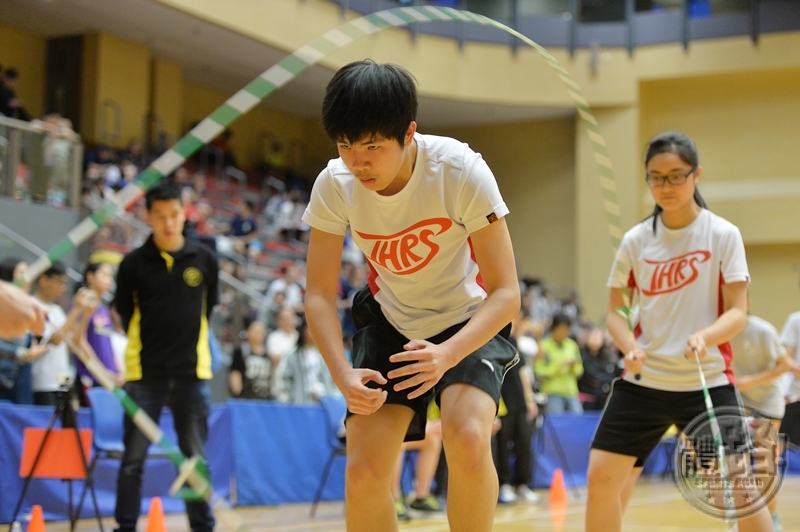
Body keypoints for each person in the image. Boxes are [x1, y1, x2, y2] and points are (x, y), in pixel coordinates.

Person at [302, 60, 520, 532]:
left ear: (409, 133)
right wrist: (342, 374)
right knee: (362, 473)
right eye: (345, 145)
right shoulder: (335, 185)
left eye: (373, 146)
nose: (357, 162)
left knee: (465, 438)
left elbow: (506, 293)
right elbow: (318, 295)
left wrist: (445, 355)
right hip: (391, 322)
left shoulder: (460, 171)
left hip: (467, 320)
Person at [585, 132, 773, 532]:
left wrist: (705, 336)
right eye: (656, 178)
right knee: (601, 478)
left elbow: (738, 311)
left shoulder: (722, 235)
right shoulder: (636, 241)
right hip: (643, 382)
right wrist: (629, 346)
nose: (665, 187)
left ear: (696, 175)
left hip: (704, 379)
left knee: (740, 488)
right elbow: (616, 313)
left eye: (675, 176)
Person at [112, 182, 218, 532]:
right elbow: (127, 314)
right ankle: (125, 526)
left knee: (194, 461)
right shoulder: (132, 264)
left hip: (192, 376)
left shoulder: (204, 260)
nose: (169, 222)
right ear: (147, 217)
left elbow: (209, 308)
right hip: (145, 377)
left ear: (184, 214)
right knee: (132, 461)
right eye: (160, 216)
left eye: (175, 214)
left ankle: (202, 527)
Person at [730, 303, 798, 532]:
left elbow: (786, 365)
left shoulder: (762, 330)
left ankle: (773, 517)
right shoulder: (716, 332)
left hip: (768, 399)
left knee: (765, 461)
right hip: (737, 398)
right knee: (736, 462)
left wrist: (751, 381)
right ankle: (743, 518)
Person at [495, 310, 540, 504]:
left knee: (524, 443)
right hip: (503, 402)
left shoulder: (513, 342)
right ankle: (504, 485)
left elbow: (522, 372)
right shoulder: (493, 340)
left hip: (520, 401)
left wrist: (530, 399)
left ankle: (522, 485)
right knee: (502, 446)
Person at [73, 263, 123, 404]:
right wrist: (101, 371)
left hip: (109, 378)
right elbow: (79, 341)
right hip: (91, 377)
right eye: (104, 275)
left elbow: (109, 343)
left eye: (111, 276)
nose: (109, 280)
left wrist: (118, 372)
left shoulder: (103, 309)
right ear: (90, 276)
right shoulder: (81, 303)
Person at [30, 263, 75, 406]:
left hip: (63, 381)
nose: (62, 288)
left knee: (66, 428)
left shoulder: (57, 310)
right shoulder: (31, 306)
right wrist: (77, 310)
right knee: (46, 426)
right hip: (43, 382)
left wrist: (85, 314)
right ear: (43, 280)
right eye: (59, 282)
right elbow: (54, 340)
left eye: (64, 283)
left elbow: (71, 343)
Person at [277, 320, 338, 404]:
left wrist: (332, 397)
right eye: (310, 328)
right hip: (300, 403)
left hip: (324, 404)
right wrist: (288, 398)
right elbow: (284, 378)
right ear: (303, 331)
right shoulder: (292, 356)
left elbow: (335, 379)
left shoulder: (327, 356)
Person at [534, 313, 584, 414]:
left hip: (571, 391)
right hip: (552, 392)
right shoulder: (543, 346)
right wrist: (559, 367)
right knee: (556, 423)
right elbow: (539, 371)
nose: (564, 332)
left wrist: (574, 367)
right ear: (554, 328)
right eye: (561, 328)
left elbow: (580, 370)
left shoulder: (572, 345)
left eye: (567, 329)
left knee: (578, 420)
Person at [228, 320, 276, 400]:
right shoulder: (241, 351)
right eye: (256, 331)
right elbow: (235, 372)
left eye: (261, 331)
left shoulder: (268, 355)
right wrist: (237, 393)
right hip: (246, 397)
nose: (259, 334)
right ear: (248, 332)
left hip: (264, 397)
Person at [578, 327, 621, 410]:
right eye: (593, 336)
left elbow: (612, 374)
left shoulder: (607, 356)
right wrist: (604, 379)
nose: (595, 339)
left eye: (598, 337)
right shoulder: (582, 355)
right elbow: (591, 373)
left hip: (603, 396)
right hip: (587, 397)